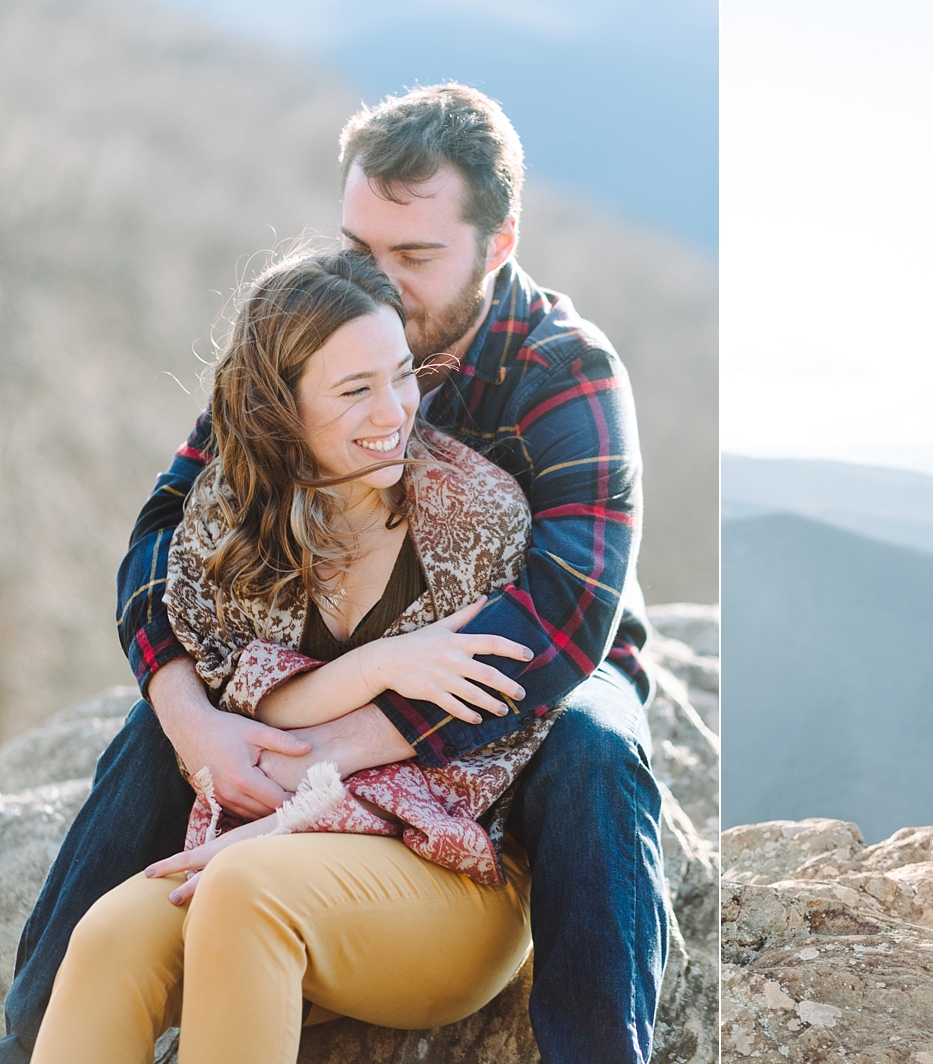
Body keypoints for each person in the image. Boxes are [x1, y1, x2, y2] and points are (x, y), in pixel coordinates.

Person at [3, 85, 666, 1064]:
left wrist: (330, 752)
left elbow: (562, 618)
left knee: (596, 754)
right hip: (326, 651)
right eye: (363, 249)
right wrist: (196, 720)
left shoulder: (563, 371)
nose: (382, 284)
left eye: (415, 256)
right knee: (153, 731)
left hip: (523, 664)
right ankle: (34, 1024)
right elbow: (166, 533)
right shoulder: (315, 326)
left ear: (499, 241)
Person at [35, 248, 550, 1062]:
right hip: (265, 851)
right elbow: (235, 697)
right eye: (355, 390)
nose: (396, 412)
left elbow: (470, 762)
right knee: (107, 933)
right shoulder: (228, 518)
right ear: (280, 407)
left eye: (402, 375)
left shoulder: (477, 517)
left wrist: (287, 814)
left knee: (242, 891)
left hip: (451, 868)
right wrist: (378, 666)